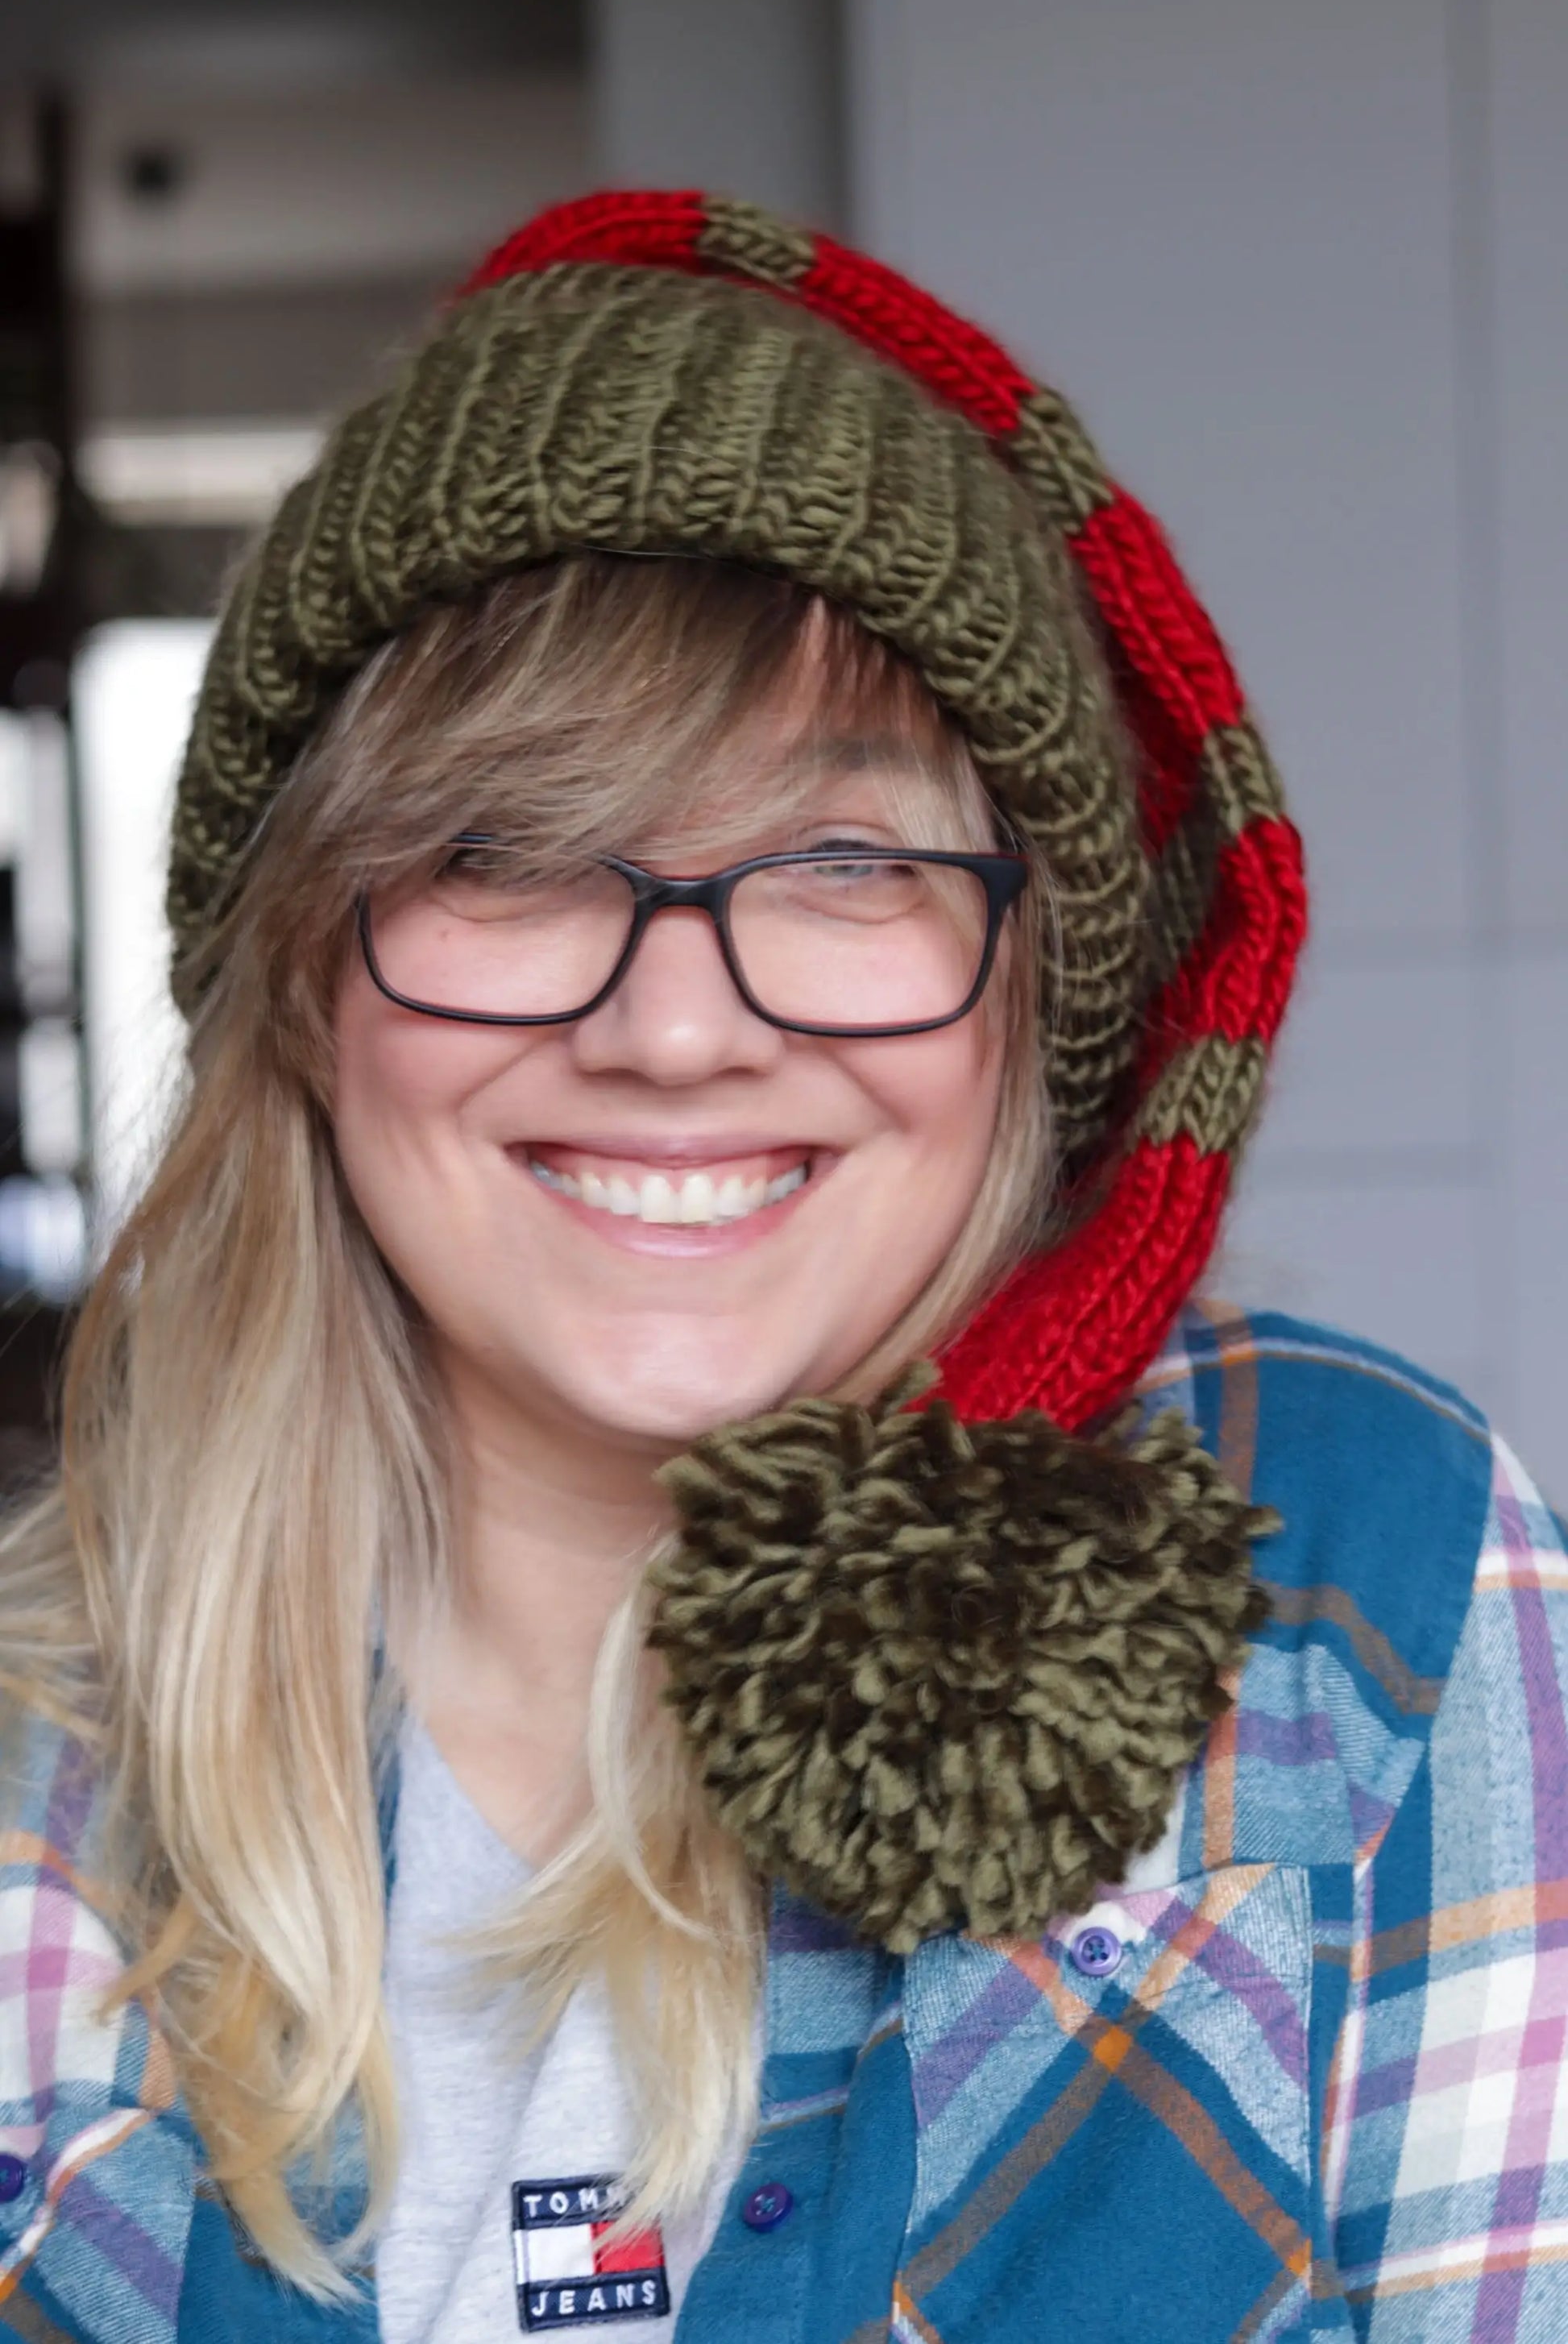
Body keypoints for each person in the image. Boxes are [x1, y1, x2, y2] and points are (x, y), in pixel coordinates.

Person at [0, 189, 1562, 2344]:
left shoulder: (1363, 1589)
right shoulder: (39, 1765)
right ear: (301, 971)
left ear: (1030, 977)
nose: (670, 1029)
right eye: (505, 851)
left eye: (839, 857)